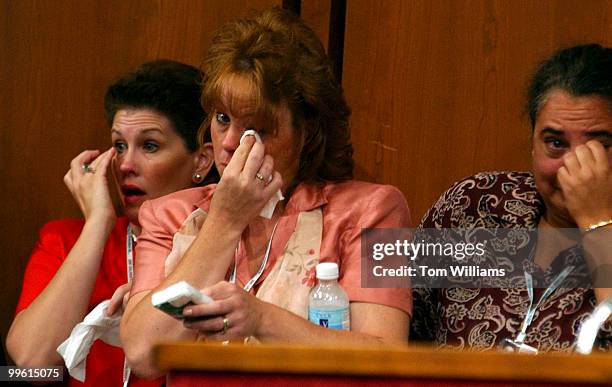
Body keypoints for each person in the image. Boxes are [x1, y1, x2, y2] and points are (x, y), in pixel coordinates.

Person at [121, 7, 412, 379]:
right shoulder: (169, 215)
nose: (228, 143)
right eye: (222, 119)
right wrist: (225, 221)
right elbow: (144, 354)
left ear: (305, 133)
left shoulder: (375, 210)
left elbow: (386, 358)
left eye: (255, 127)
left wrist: (262, 319)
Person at [6, 60, 218, 386]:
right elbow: (31, 366)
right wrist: (98, 224)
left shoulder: (223, 247)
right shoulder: (64, 240)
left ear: (202, 160)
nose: (125, 165)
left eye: (149, 145)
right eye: (119, 145)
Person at [410, 44, 612, 352]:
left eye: (599, 146)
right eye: (555, 143)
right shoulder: (475, 203)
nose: (574, 165)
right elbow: (394, 324)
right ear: (532, 145)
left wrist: (599, 223)